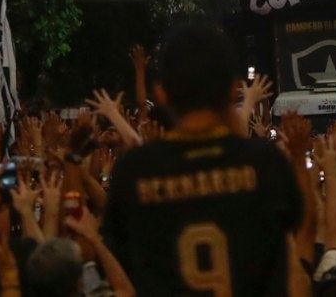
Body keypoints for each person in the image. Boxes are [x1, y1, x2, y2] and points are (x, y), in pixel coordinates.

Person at [102, 23, 303, 296]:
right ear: (234, 90)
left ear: (161, 94)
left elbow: (120, 258)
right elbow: (296, 242)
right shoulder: (267, 164)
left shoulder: (135, 171)